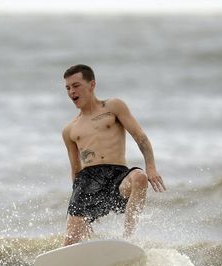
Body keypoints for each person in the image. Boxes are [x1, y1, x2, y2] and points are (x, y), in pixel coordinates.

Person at [62, 64, 166, 245]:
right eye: (68, 88)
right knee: (69, 243)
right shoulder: (70, 129)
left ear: (91, 84)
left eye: (76, 85)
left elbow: (140, 137)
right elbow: (76, 169)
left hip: (117, 175)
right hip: (88, 181)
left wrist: (151, 166)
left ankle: (128, 241)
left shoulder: (113, 106)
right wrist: (81, 207)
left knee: (140, 177)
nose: (72, 91)